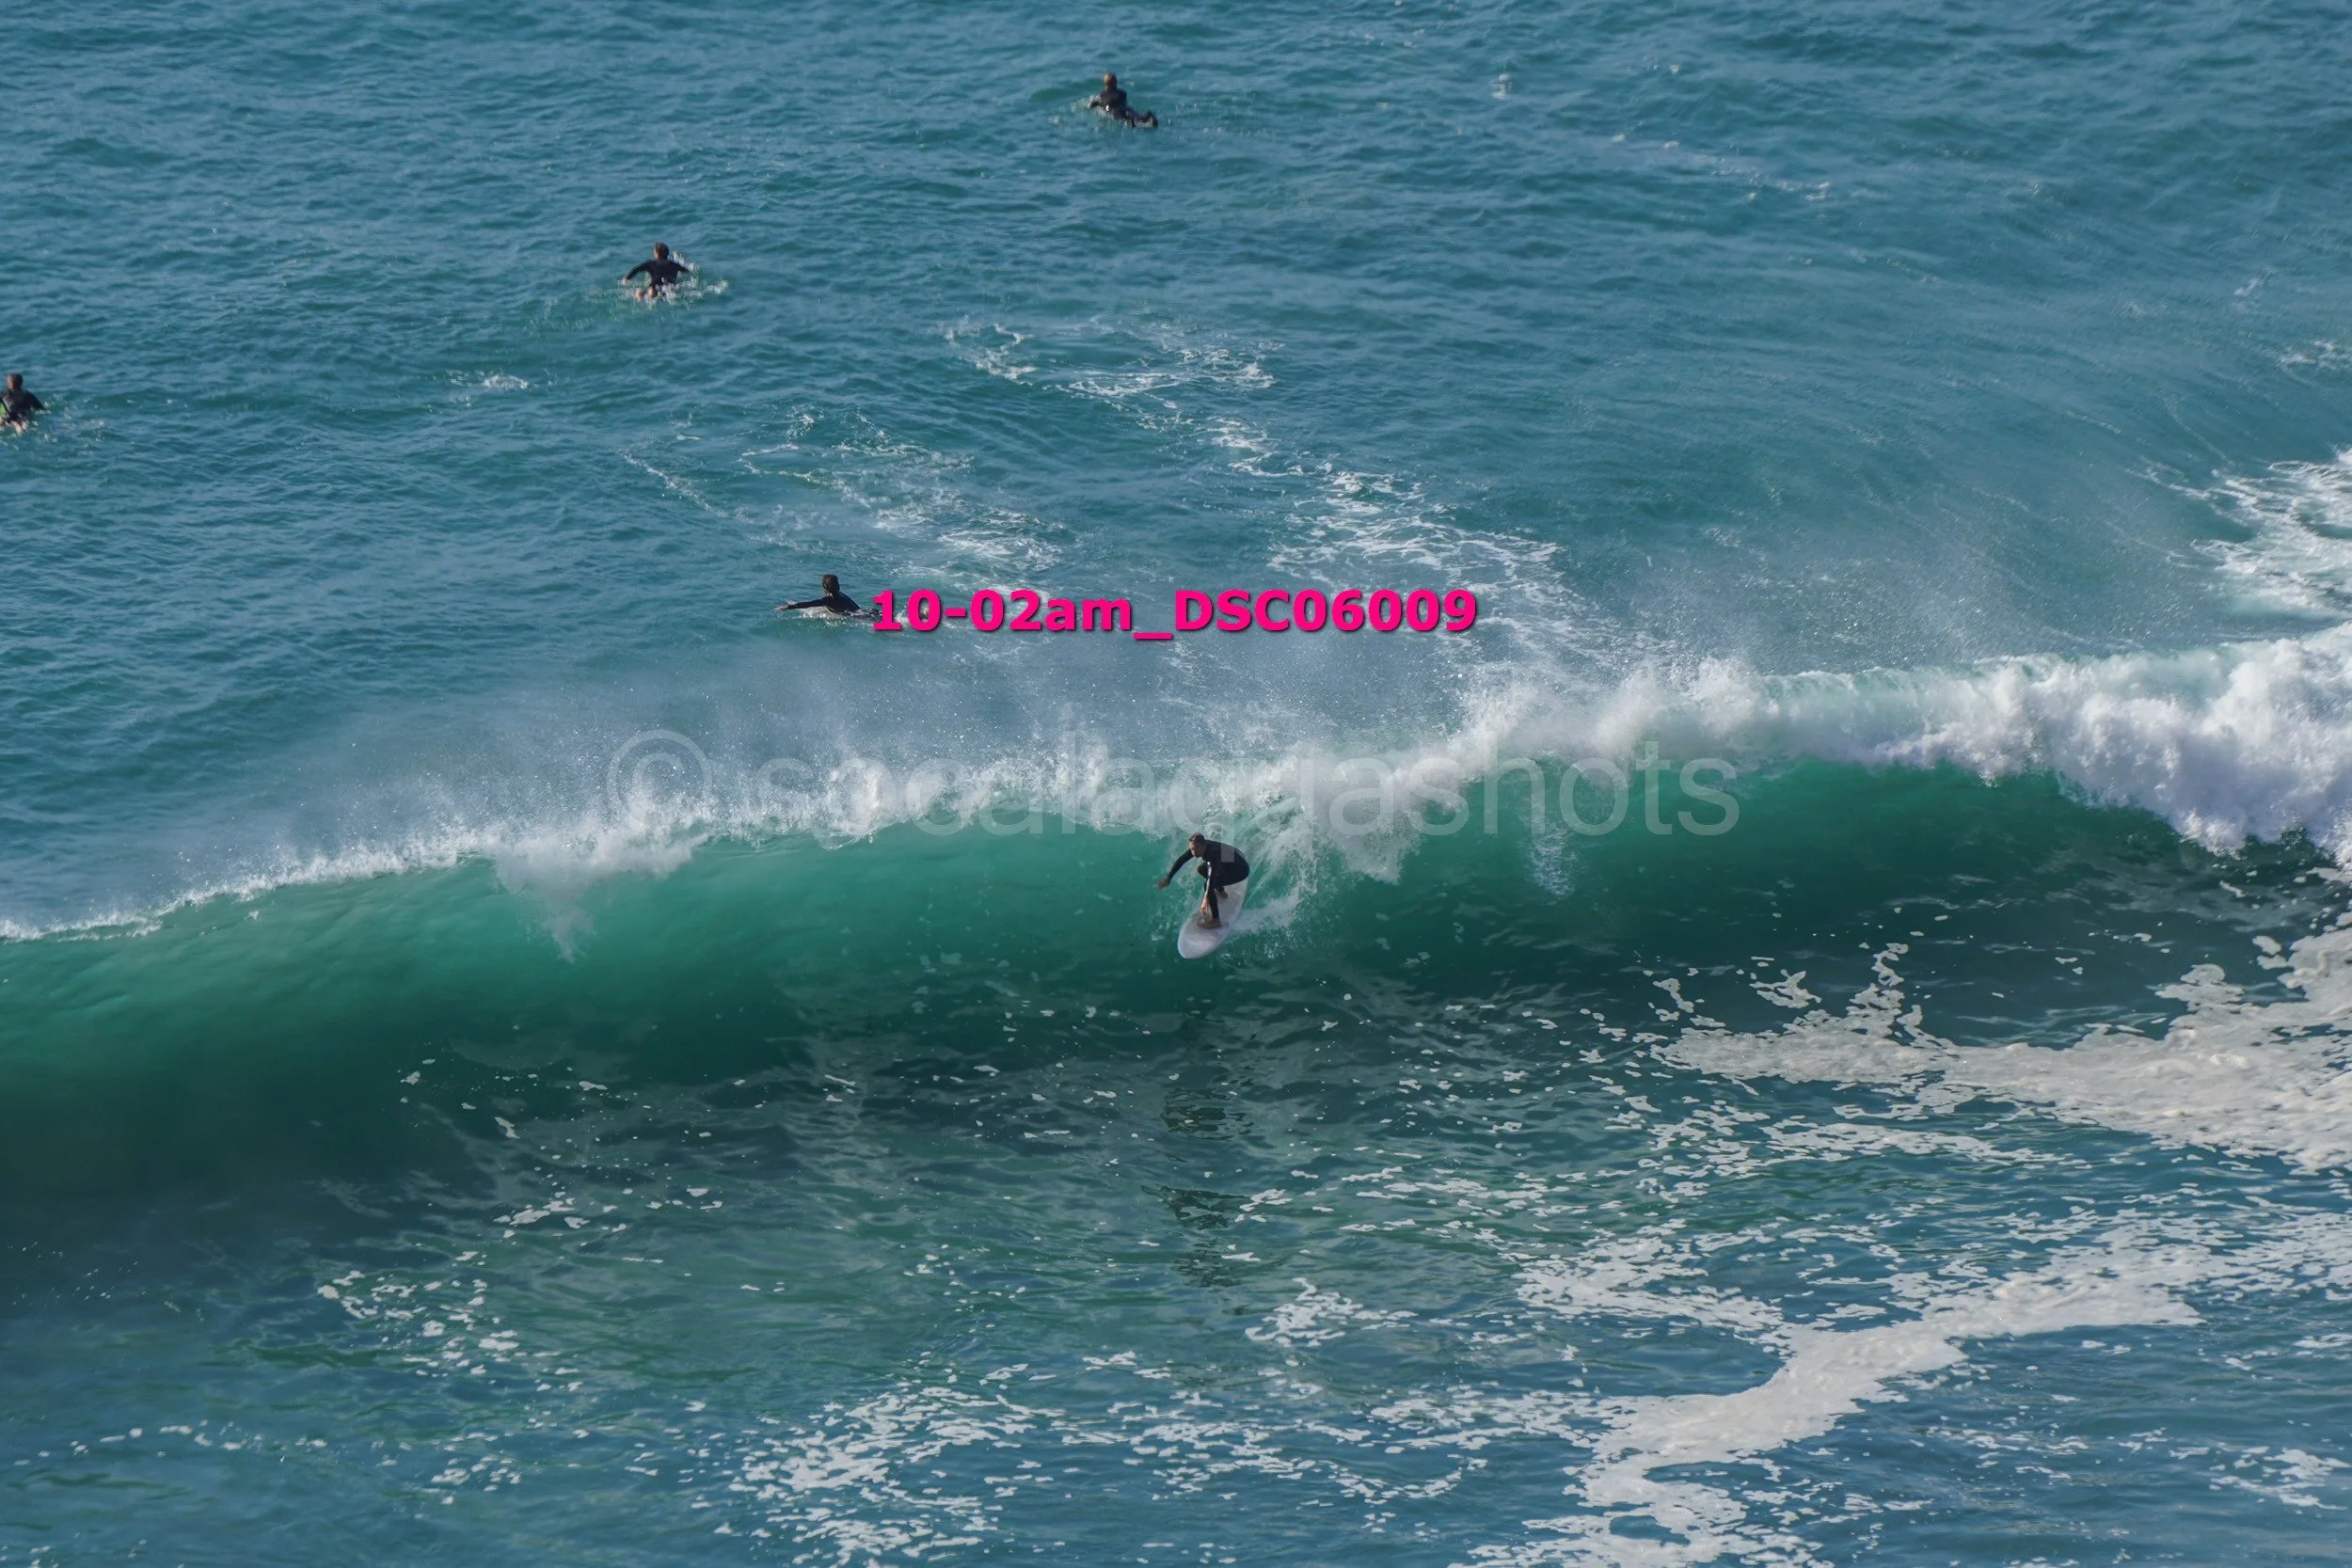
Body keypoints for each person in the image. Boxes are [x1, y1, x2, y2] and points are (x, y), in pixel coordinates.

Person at [1158, 832, 1249, 927]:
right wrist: (1168, 878)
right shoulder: (1200, 846)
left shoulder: (1212, 854)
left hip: (1240, 870)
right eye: (1191, 849)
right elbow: (1182, 859)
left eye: (1194, 849)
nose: (1193, 853)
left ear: (1202, 845)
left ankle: (1216, 920)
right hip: (1233, 859)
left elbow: (1211, 879)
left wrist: (1206, 900)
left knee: (1208, 885)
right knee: (1201, 869)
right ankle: (1221, 891)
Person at [623, 243, 691, 300]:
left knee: (639, 292)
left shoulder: (650, 264)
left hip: (654, 286)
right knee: (672, 291)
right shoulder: (674, 264)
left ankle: (644, 299)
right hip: (669, 286)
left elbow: (636, 270)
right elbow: (687, 271)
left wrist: (626, 278)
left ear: (656, 253)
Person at [1089, 72, 1158, 129]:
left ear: (1105, 83)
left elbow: (1091, 106)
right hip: (1126, 108)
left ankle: (1131, 123)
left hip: (1114, 111)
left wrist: (1092, 104)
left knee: (1124, 121)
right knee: (1137, 117)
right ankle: (1148, 116)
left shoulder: (1100, 96)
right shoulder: (1122, 93)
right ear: (1116, 83)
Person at [776, 574, 867, 616]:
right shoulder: (840, 594)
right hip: (863, 612)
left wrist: (789, 607)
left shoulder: (828, 600)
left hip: (859, 617)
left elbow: (810, 604)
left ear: (825, 587)